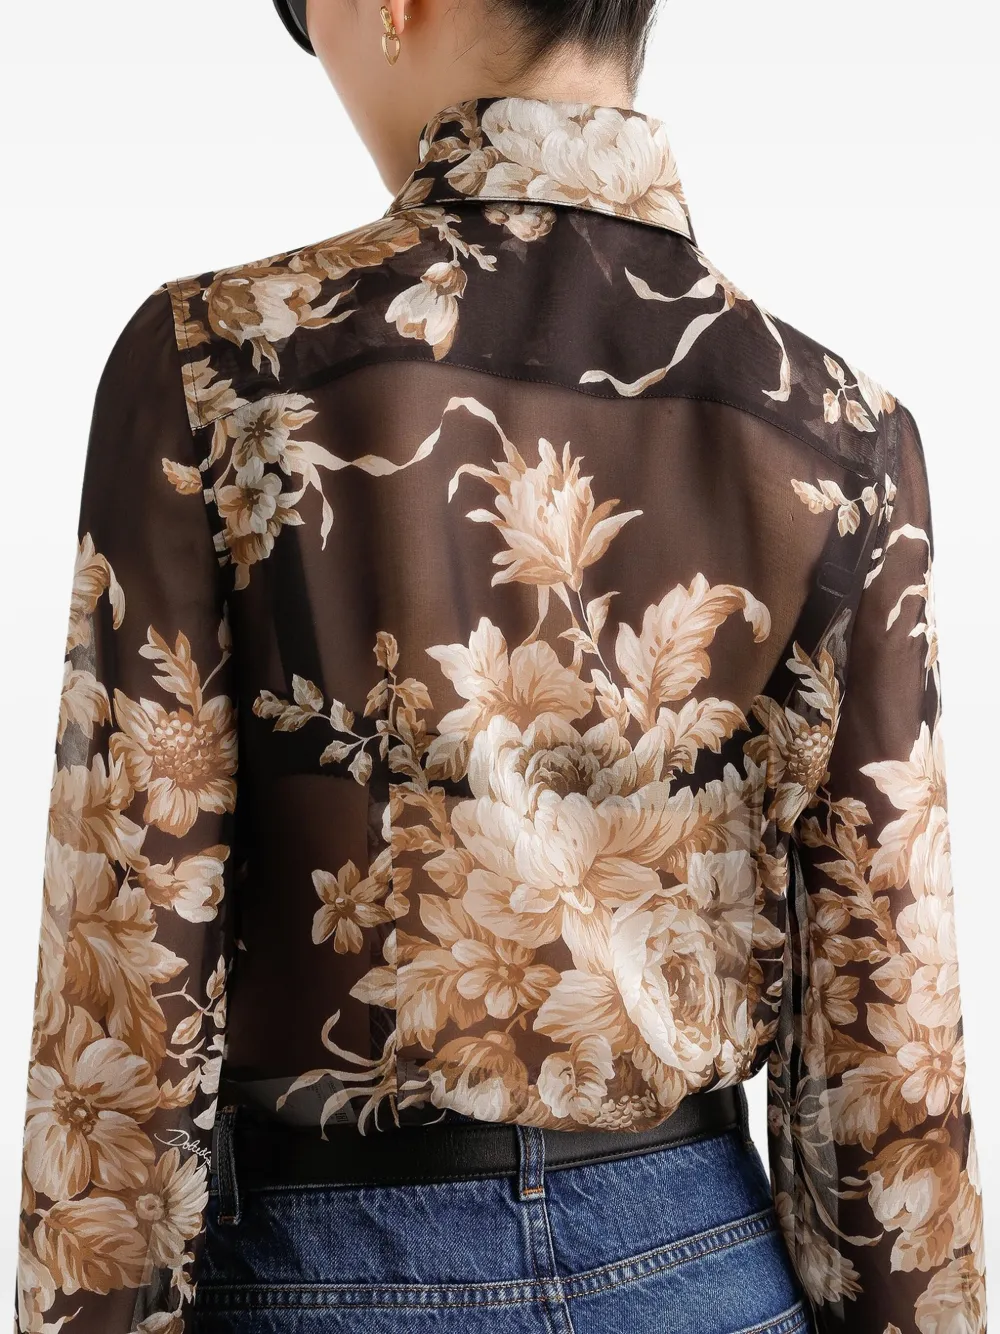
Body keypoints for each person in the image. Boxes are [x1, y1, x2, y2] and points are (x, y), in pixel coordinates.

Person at [13, 0, 985, 1331]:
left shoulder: (218, 366)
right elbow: (892, 1037)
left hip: (328, 1268)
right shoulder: (847, 435)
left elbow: (126, 977)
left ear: (390, 6)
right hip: (701, 1266)